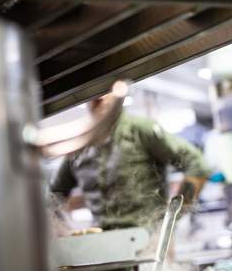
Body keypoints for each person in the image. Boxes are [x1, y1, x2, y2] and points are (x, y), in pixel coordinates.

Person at [51, 95, 209, 230]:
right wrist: (63, 231)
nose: (99, 97)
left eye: (105, 90)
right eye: (92, 91)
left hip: (149, 239)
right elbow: (55, 195)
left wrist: (173, 217)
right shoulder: (79, 144)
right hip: (103, 245)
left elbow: (197, 164)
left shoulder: (141, 130)